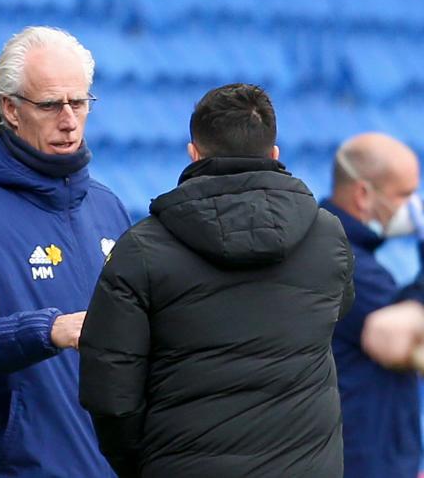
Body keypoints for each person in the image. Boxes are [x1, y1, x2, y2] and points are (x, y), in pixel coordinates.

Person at [79, 83, 354, 478]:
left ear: (194, 153)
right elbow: (337, 310)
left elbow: (110, 391)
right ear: (274, 154)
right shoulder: (327, 236)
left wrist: (145, 461)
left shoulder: (142, 248)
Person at [0, 26, 130, 477]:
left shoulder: (108, 208)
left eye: (80, 102)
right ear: (10, 109)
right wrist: (48, 329)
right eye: (51, 105)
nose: (69, 119)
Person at [322, 132, 424, 478]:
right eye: (405, 195)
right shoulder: (343, 260)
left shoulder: (333, 245)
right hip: (364, 457)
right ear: (364, 194)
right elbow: (404, 329)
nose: (413, 207)